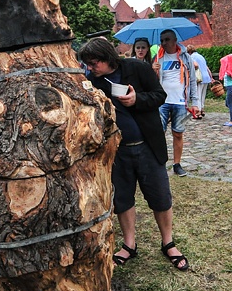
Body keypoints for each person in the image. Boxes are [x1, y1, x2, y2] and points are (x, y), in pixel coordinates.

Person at [78, 37, 189, 271]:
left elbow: (159, 95)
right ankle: (129, 245)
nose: (90, 68)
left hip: (147, 145)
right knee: (123, 199)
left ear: (108, 58)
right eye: (87, 64)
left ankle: (168, 242)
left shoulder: (137, 68)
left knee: (160, 197)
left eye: (93, 63)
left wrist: (137, 99)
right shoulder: (91, 81)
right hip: (116, 151)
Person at [152, 29, 201, 177]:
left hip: (180, 101)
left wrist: (195, 102)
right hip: (162, 102)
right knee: (158, 134)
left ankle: (177, 164)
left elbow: (192, 80)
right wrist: (152, 70)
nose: (164, 43)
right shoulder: (157, 58)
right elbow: (150, 81)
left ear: (174, 41)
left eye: (167, 39)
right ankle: (159, 163)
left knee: (178, 133)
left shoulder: (185, 58)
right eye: (162, 40)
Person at [186, 45, 213, 119]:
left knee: (197, 95)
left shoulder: (192, 57)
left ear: (189, 52)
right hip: (206, 77)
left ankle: (198, 113)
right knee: (202, 95)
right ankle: (202, 109)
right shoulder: (201, 56)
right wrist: (211, 77)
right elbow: (207, 68)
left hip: (199, 78)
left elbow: (194, 66)